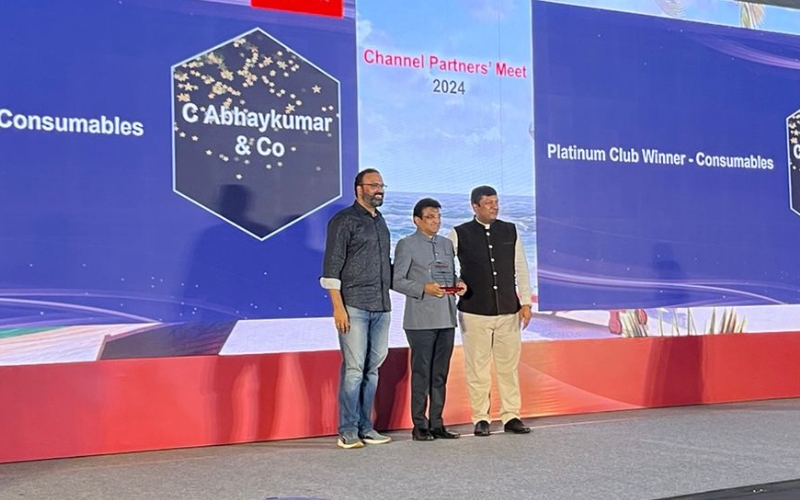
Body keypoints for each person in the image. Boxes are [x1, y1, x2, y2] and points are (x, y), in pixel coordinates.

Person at [448, 185, 533, 436]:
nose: (494, 207)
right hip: (474, 311)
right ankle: (481, 417)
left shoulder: (510, 230)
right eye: (488, 203)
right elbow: (443, 264)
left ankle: (511, 415)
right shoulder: (458, 233)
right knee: (478, 367)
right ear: (475, 206)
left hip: (508, 310)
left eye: (496, 202)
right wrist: (455, 282)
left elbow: (521, 267)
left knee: (508, 366)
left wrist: (526, 302)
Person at [320, 168, 393, 449]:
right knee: (354, 370)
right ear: (358, 189)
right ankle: (348, 431)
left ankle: (366, 427)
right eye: (373, 185)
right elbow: (331, 267)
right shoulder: (344, 220)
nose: (379, 190)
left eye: (381, 185)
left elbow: (385, 266)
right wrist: (338, 308)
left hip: (381, 307)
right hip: (354, 306)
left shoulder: (380, 222)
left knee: (372, 370)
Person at [393, 198, 466, 441]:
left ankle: (437, 423)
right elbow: (397, 280)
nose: (436, 221)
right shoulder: (406, 244)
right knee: (422, 373)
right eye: (430, 217)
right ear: (417, 220)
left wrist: (458, 284)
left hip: (446, 317)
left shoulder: (446, 244)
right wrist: (423, 288)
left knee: (440, 374)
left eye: (438, 217)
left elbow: (450, 275)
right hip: (420, 320)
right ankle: (419, 425)